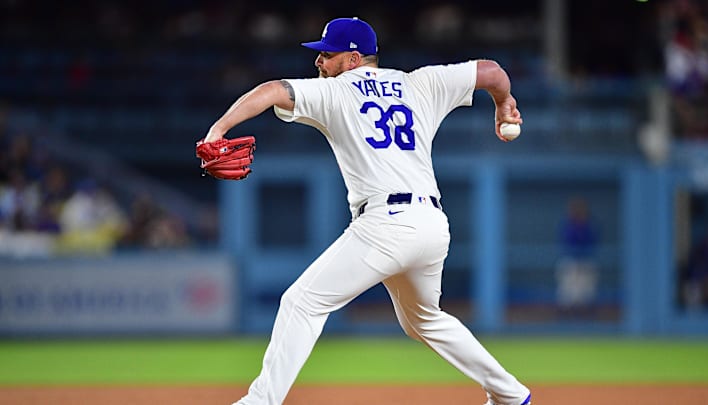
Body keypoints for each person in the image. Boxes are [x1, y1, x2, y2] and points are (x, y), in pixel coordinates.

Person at [199, 17, 531, 405]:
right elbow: (492, 71)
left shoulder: (338, 92)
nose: (319, 62)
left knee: (301, 301)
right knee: (423, 319)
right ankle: (510, 394)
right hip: (432, 225)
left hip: (386, 224)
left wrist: (217, 131)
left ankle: (259, 402)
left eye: (327, 54)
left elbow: (272, 90)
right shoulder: (420, 83)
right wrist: (503, 103)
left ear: (353, 58)